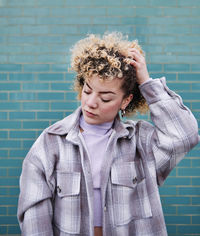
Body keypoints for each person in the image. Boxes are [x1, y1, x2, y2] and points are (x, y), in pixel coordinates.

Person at [18, 32, 199, 236]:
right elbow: (34, 218)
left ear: (125, 101)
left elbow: (185, 136)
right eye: (87, 91)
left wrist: (147, 82)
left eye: (105, 98)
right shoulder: (50, 144)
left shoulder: (141, 143)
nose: (91, 103)